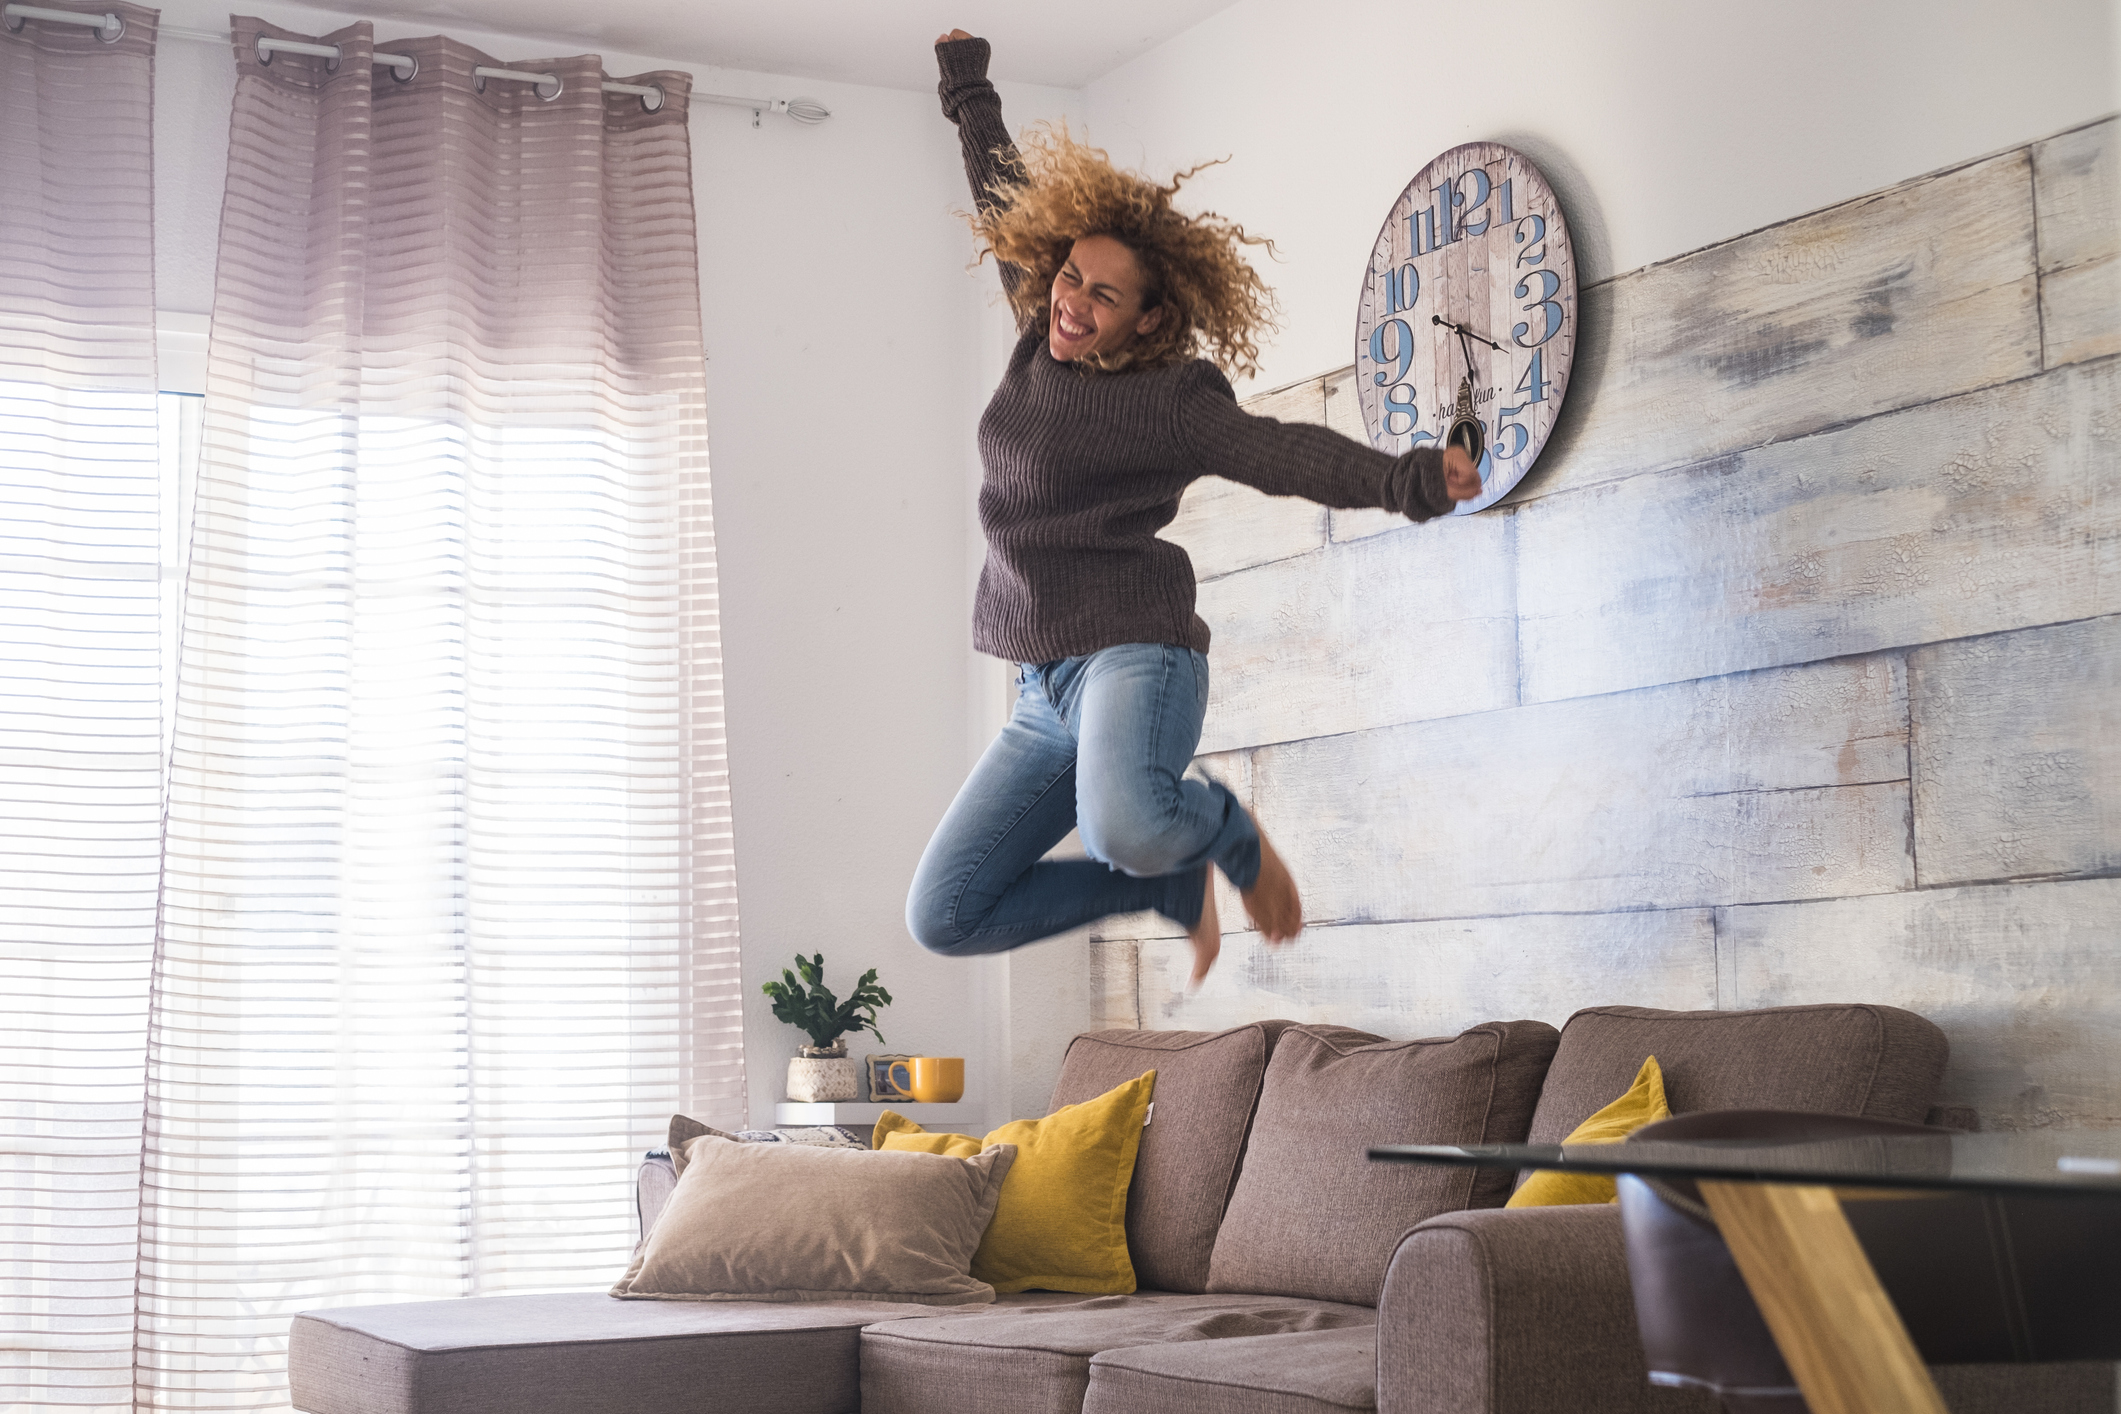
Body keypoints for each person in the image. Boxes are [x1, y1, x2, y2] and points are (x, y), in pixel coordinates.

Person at [905, 29, 1482, 985]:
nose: (1071, 304)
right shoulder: (1032, 329)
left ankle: (1221, 829)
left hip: (1136, 657)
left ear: (1150, 317)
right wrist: (967, 86)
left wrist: (1409, 479)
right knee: (945, 913)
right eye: (1067, 278)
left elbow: (1280, 453)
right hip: (1041, 688)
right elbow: (1003, 191)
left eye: (1103, 295)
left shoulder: (1171, 399)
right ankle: (1162, 887)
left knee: (1124, 824)